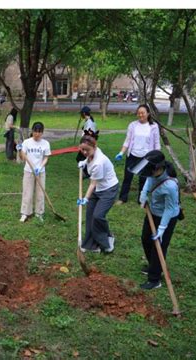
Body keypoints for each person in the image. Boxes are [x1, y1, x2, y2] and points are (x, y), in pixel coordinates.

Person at [130, 150, 181, 290]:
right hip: (152, 212)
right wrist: (143, 194)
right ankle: (154, 265)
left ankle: (154, 279)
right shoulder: (152, 173)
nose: (148, 173)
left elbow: (169, 209)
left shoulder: (170, 186)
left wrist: (162, 228)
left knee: (158, 246)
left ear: (158, 168)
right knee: (146, 239)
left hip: (167, 217)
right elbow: (149, 180)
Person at [77, 135, 119, 253]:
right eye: (82, 149)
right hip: (98, 188)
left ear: (94, 147)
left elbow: (92, 184)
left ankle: (107, 240)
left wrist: (85, 198)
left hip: (108, 189)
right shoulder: (93, 153)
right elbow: (89, 159)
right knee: (90, 215)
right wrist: (84, 162)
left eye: (87, 150)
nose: (84, 152)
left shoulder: (99, 162)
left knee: (98, 216)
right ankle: (91, 245)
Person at [115, 104, 161, 205]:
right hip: (132, 155)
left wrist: (157, 156)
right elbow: (127, 140)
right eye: (138, 113)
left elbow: (157, 143)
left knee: (143, 179)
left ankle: (141, 199)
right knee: (128, 177)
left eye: (143, 113)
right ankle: (122, 198)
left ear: (148, 113)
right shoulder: (132, 125)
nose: (140, 115)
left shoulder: (153, 126)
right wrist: (121, 152)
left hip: (146, 157)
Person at [17, 121, 51, 223]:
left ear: (42, 132)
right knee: (27, 192)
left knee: (40, 193)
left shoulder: (45, 143)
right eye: (35, 131)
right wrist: (19, 150)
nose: (37, 134)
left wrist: (40, 167)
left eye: (39, 132)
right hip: (28, 171)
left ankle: (39, 213)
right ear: (32, 131)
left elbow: (46, 157)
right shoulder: (27, 142)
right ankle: (25, 213)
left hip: (40, 171)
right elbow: (23, 157)